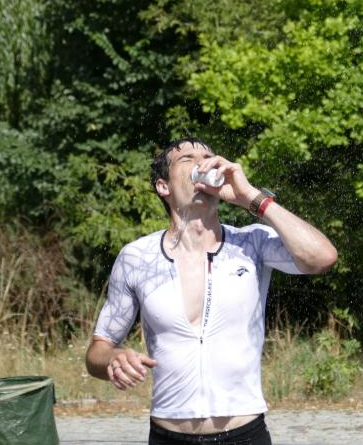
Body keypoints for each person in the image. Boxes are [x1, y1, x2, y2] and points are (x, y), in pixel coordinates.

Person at [85, 137, 337, 444]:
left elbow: (322, 258)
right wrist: (114, 357)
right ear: (163, 186)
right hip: (168, 435)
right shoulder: (137, 258)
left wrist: (251, 198)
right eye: (188, 159)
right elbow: (97, 352)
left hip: (244, 433)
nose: (203, 163)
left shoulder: (251, 243)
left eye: (208, 157)